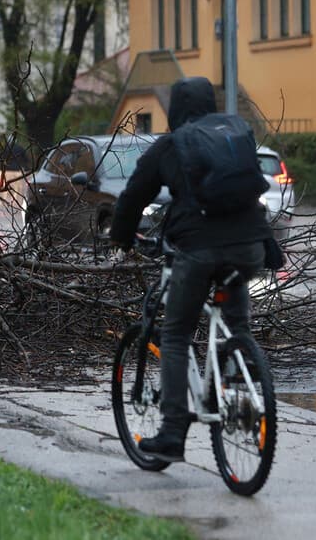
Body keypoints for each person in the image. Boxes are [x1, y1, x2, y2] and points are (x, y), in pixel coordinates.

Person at [108, 76, 273, 463]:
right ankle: (239, 376)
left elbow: (133, 196)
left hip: (200, 248)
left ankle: (171, 432)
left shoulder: (172, 144)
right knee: (236, 322)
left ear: (175, 110)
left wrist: (122, 236)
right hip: (251, 245)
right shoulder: (236, 133)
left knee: (177, 334)